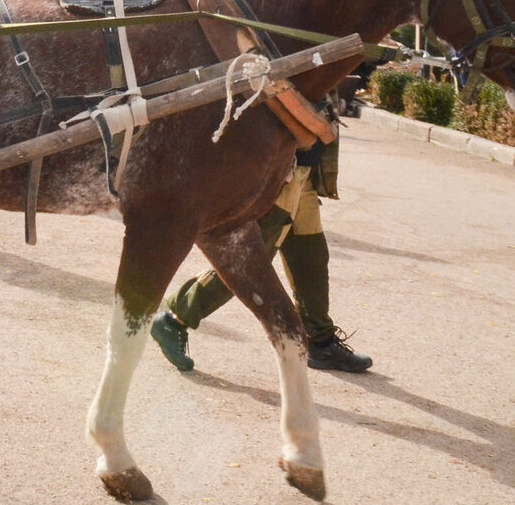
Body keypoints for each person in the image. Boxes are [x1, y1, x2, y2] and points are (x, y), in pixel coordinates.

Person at [150, 137, 372, 374]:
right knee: (248, 266)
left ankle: (321, 341)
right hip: (282, 174)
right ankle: (175, 320)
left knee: (311, 259)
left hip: (304, 173)